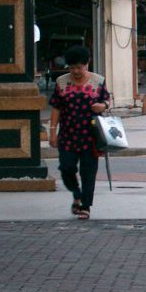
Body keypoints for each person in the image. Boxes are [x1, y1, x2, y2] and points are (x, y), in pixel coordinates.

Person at [48, 45, 110, 220]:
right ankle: (76, 193)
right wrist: (52, 132)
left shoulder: (98, 81)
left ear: (87, 64)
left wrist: (102, 105)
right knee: (66, 168)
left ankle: (86, 206)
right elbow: (56, 108)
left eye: (79, 67)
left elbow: (107, 100)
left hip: (90, 135)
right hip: (67, 134)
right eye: (71, 67)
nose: (75, 71)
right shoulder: (61, 82)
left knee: (88, 172)